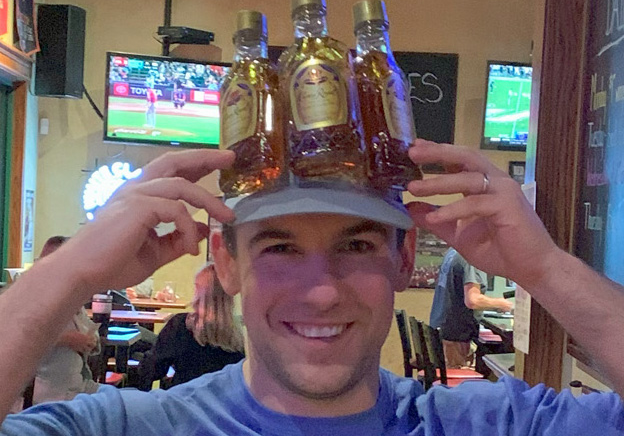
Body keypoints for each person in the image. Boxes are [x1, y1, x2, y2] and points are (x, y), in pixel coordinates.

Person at [0, 141, 623, 435]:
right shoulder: (125, 430)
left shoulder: (494, 427)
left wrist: (546, 268)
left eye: (356, 246)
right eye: (279, 248)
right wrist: (71, 269)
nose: (322, 292)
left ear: (404, 259)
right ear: (227, 261)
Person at [11, 236, 100, 412]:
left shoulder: (72, 297)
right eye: (43, 262)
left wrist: (91, 340)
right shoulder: (28, 297)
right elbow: (14, 339)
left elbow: (88, 331)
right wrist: (64, 339)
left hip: (77, 387)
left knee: (130, 403)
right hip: (43, 397)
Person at [137, 262, 245, 390]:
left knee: (138, 338)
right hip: (221, 400)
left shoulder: (182, 325)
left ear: (198, 292)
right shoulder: (238, 337)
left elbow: (154, 370)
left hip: (183, 397)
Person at [430, 247, 513, 368]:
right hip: (456, 336)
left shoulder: (453, 252)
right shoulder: (472, 260)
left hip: (441, 330)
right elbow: (472, 300)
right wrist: (501, 304)